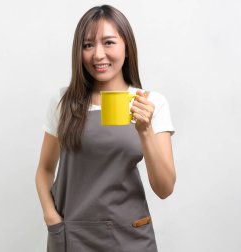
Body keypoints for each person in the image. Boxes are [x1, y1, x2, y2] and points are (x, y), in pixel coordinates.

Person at [35, 5, 176, 252]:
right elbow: (45, 170)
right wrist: (51, 217)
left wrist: (145, 130)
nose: (98, 54)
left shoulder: (150, 102)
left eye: (108, 42)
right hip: (73, 237)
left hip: (130, 237)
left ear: (126, 47)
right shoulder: (63, 102)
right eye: (88, 45)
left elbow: (164, 188)